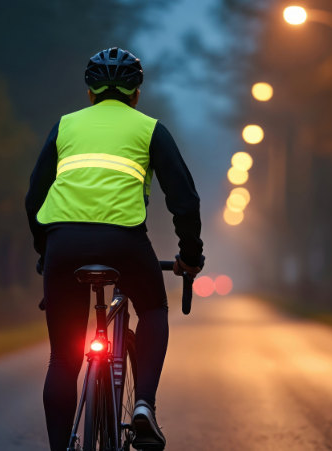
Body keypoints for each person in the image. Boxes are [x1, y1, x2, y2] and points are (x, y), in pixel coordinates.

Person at [24, 47, 203, 451]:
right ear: (136, 93)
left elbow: (34, 199)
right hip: (123, 241)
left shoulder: (64, 127)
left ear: (90, 93)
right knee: (154, 308)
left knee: (62, 360)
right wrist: (190, 257)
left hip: (62, 244)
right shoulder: (150, 129)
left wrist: (44, 254)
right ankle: (143, 405)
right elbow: (185, 202)